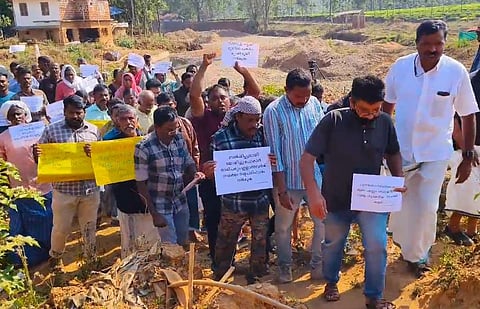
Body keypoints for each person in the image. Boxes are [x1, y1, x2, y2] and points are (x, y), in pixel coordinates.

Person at [384, 20, 479, 278]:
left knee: (427, 206)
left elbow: (468, 114)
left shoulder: (456, 72)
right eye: (427, 44)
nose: (433, 49)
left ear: (444, 44)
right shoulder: (400, 68)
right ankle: (404, 244)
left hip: (436, 152)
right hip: (401, 151)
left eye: (438, 43)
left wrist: (468, 155)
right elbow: (386, 107)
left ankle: (419, 256)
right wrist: (382, 144)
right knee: (401, 203)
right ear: (417, 44)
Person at [300, 76, 403, 309]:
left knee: (377, 245)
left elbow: (393, 153)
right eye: (365, 110)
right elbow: (307, 160)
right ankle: (331, 282)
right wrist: (314, 195)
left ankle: (374, 297)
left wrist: (398, 179)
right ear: (352, 101)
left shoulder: (385, 122)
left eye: (376, 109)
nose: (371, 115)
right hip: (336, 199)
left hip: (371, 199)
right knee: (333, 244)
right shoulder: (333, 121)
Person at [190, 53, 260, 267]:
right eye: (214, 98)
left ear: (231, 100)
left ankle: (236, 259)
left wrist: (243, 70)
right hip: (211, 179)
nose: (219, 101)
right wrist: (204, 66)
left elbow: (255, 94)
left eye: (223, 97)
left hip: (238, 178)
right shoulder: (203, 118)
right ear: (208, 102)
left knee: (237, 222)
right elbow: (194, 96)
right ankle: (218, 262)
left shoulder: (238, 116)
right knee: (214, 220)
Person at [263, 68, 324, 283]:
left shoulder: (315, 105)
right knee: (282, 227)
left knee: (322, 222)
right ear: (286, 90)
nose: (303, 100)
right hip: (288, 182)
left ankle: (317, 266)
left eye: (307, 95)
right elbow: (275, 153)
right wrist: (281, 190)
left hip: (314, 179)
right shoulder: (273, 111)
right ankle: (284, 268)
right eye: (298, 96)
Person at [203, 96, 273, 284]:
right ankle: (222, 273)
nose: (254, 124)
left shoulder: (263, 134)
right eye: (250, 120)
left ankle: (257, 274)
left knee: (260, 240)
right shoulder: (220, 138)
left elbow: (269, 161)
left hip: (259, 200)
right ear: (238, 117)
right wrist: (210, 171)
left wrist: (270, 162)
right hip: (233, 202)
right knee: (226, 240)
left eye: (257, 120)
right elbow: (213, 169)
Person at [33, 95, 101, 271]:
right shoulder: (51, 131)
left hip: (90, 190)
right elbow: (41, 159)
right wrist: (37, 153)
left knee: (89, 227)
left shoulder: (94, 130)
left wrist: (95, 153)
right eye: (71, 113)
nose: (75, 116)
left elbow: (102, 160)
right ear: (64, 112)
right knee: (61, 228)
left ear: (84, 112)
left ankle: (90, 258)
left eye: (79, 113)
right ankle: (56, 257)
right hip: (64, 191)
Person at [134, 106, 199, 245]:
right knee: (170, 246)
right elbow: (141, 183)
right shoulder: (143, 147)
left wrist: (195, 173)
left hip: (180, 201)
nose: (174, 132)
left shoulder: (179, 139)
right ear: (157, 127)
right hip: (160, 205)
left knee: (183, 241)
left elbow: (188, 161)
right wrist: (154, 214)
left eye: (176, 128)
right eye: (169, 129)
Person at [0, 101, 53, 267]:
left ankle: (44, 255)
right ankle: (20, 260)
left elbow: (52, 153)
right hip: (18, 190)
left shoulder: (40, 132)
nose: (16, 117)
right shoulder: (3, 138)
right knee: (20, 228)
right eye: (12, 115)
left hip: (43, 186)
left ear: (26, 115)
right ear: (7, 118)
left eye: (19, 114)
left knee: (44, 225)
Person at [104, 104, 159, 257]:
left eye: (131, 118)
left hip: (148, 196)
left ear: (136, 120)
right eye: (123, 119)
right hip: (125, 197)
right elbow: (105, 168)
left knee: (151, 237)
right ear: (117, 121)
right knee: (130, 240)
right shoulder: (110, 143)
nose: (128, 122)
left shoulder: (147, 138)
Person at [156, 92, 201, 242]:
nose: (169, 109)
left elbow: (194, 146)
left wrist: (195, 168)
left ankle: (191, 232)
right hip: (168, 181)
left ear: (175, 104)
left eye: (170, 105)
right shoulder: (153, 131)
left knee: (191, 205)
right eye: (164, 107)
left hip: (188, 175)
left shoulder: (186, 123)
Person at [444, 69, 480, 245]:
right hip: (467, 146)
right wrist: (467, 148)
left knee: (477, 190)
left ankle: (473, 230)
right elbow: (455, 118)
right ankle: (453, 227)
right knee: (465, 187)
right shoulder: (469, 80)